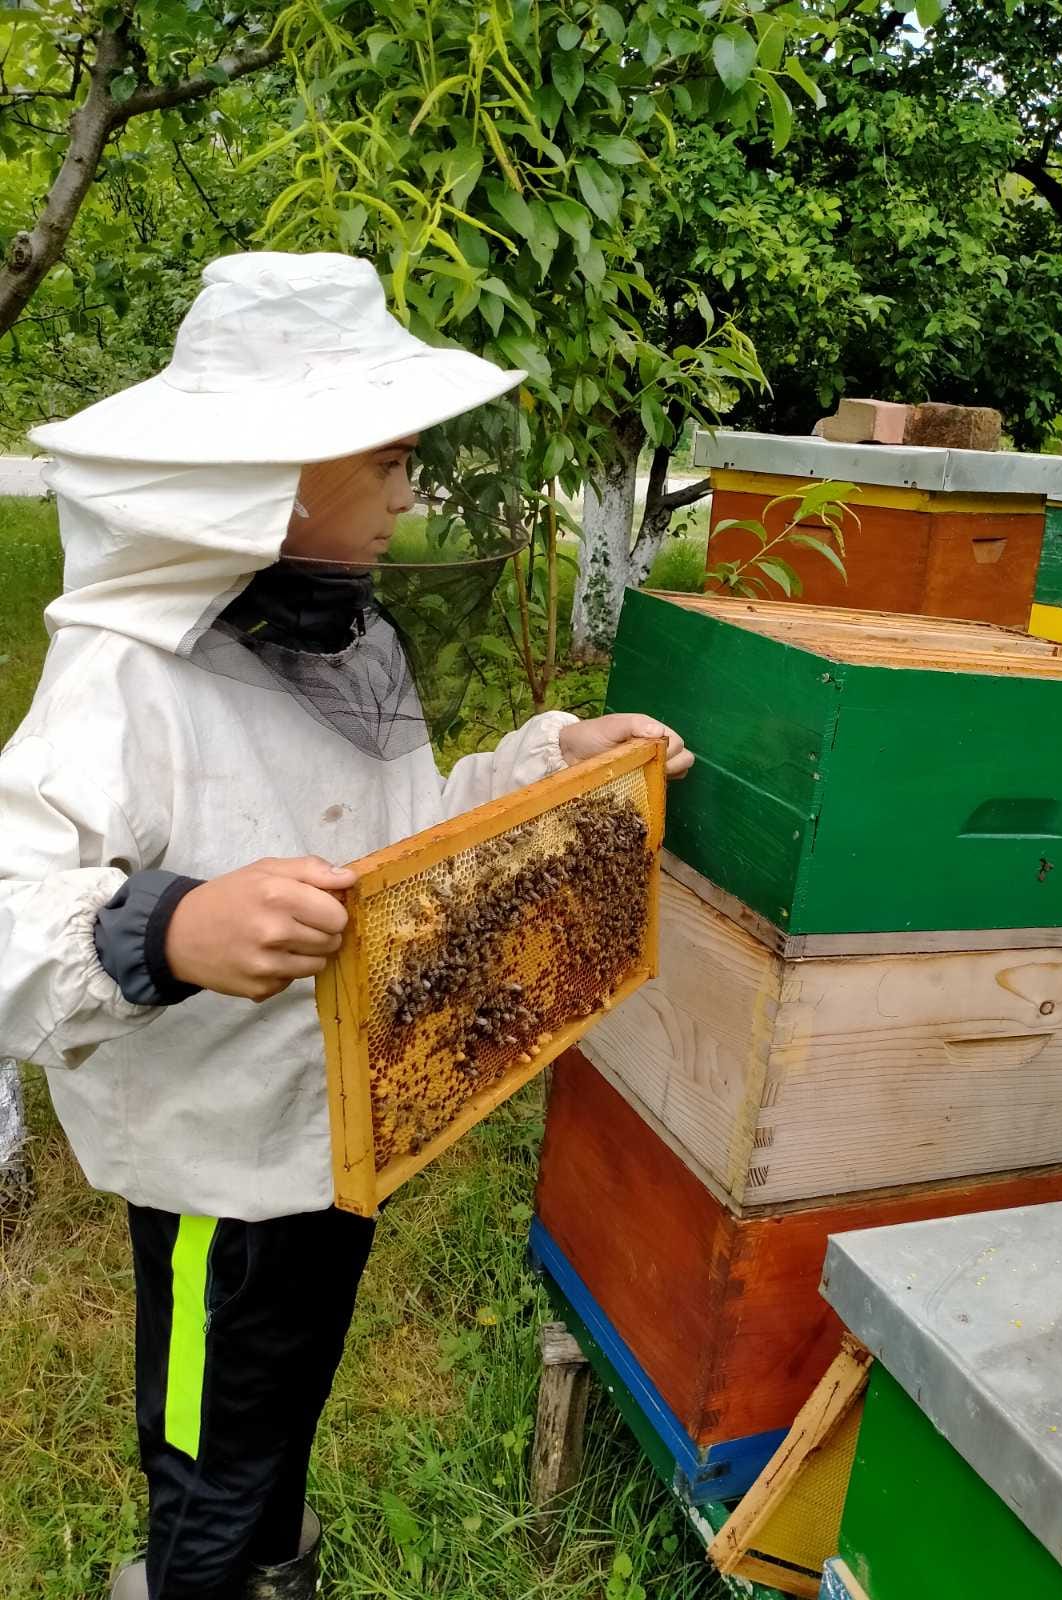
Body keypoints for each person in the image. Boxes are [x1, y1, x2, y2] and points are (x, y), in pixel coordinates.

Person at [0, 251, 693, 1600]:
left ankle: (270, 1568)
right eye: (384, 461)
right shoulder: (123, 673)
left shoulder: (348, 642)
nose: (409, 491)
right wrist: (171, 926)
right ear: (274, 468)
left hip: (345, 1124)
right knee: (212, 1454)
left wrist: (554, 763)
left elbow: (405, 831)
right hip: (217, 1167)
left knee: (283, 1408)